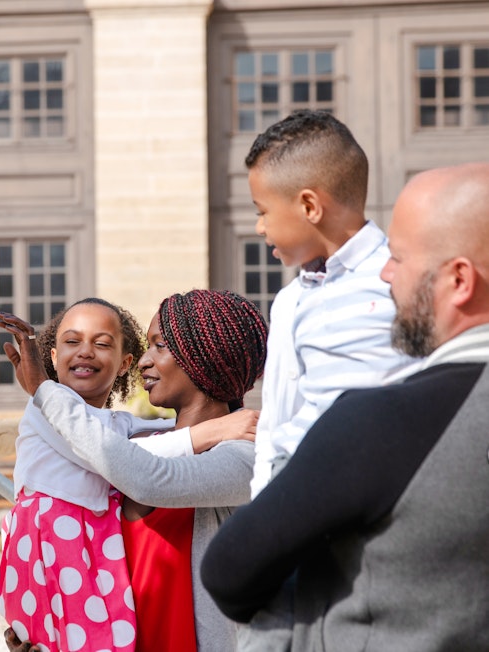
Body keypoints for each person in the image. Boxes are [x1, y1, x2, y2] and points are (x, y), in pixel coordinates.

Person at [200, 162, 489, 651]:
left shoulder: (381, 424)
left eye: (399, 257)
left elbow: (230, 572)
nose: (385, 272)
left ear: (459, 281)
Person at [0, 289, 268, 652]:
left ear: (202, 355)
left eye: (159, 346)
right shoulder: (143, 443)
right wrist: (46, 628)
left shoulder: (242, 455)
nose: (143, 360)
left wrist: (43, 390)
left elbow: (149, 478)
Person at [241, 109, 420, 649]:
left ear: (310, 205)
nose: (258, 226)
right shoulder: (292, 296)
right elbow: (279, 422)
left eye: (262, 211)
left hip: (359, 546)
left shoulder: (397, 283)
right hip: (283, 535)